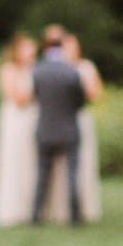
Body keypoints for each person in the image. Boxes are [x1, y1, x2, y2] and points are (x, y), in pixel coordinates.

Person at [42, 33, 104, 223]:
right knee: (58, 171)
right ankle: (56, 210)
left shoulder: (85, 67)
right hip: (57, 120)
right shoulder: (55, 69)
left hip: (80, 117)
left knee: (82, 165)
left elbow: (96, 93)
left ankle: (82, 208)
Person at [30, 27, 87, 225]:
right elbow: (81, 101)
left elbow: (35, 97)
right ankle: (74, 217)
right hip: (69, 129)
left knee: (42, 176)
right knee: (72, 175)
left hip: (44, 129)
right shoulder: (72, 71)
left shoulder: (37, 70)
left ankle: (36, 216)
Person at [0, 35, 38, 227]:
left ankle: (30, 208)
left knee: (31, 162)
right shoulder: (8, 69)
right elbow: (17, 98)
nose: (32, 53)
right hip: (16, 120)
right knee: (14, 161)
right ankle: (13, 209)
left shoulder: (35, 69)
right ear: (17, 51)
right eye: (27, 49)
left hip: (33, 118)